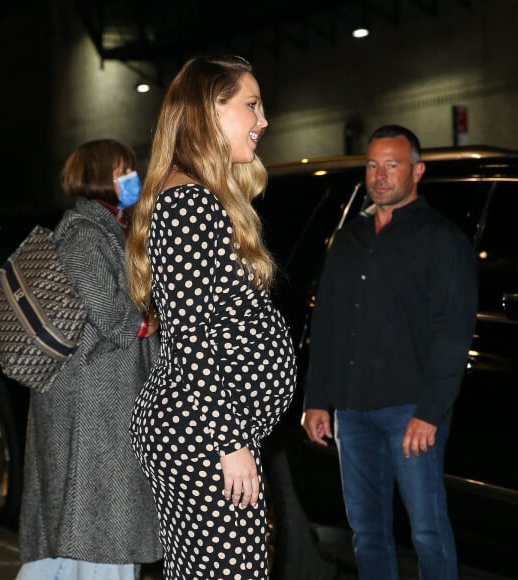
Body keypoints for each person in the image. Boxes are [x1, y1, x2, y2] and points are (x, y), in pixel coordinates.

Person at [126, 55, 297, 579]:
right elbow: (188, 337)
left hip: (203, 431)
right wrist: (231, 442)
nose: (263, 120)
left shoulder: (193, 197)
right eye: (251, 105)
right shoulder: (190, 203)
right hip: (206, 435)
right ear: (210, 111)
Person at [302, 124, 477, 580]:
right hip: (353, 414)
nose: (380, 175)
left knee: (427, 533)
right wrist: (317, 399)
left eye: (392, 165)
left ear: (416, 171)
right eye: (372, 165)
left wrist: (430, 412)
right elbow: (329, 324)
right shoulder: (349, 238)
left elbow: (453, 334)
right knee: (366, 532)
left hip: (410, 413)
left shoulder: (442, 240)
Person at [16, 139, 162, 579]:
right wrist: (146, 322)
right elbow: (110, 313)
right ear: (99, 175)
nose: (132, 178)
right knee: (100, 521)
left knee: (83, 527)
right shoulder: (83, 230)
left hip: (99, 398)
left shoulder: (110, 227)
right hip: (92, 402)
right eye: (123, 169)